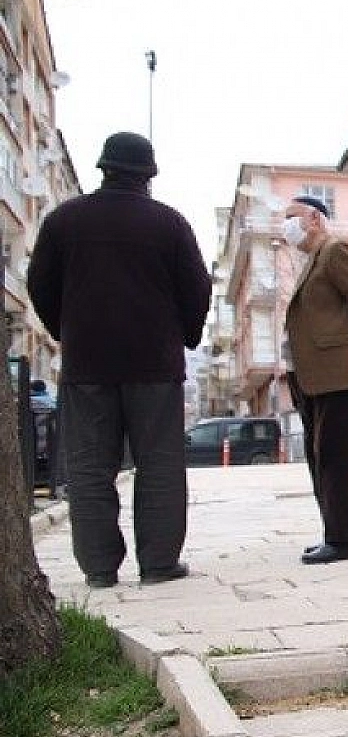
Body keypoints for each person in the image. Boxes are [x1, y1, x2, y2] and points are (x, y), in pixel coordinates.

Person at [25, 131, 211, 588]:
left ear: (103, 169)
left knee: (89, 467)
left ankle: (100, 569)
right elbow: (197, 289)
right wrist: (185, 335)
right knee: (160, 464)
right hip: (154, 365)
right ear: (148, 176)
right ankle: (159, 563)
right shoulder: (169, 224)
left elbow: (39, 285)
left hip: (86, 365)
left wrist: (64, 330)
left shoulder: (64, 221)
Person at [281, 194, 348, 564]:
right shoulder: (314, 260)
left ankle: (343, 541)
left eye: (291, 217)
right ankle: (347, 535)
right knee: (321, 456)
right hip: (314, 376)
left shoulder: (335, 251)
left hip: (337, 373)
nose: (286, 225)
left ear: (314, 217)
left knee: (335, 458)